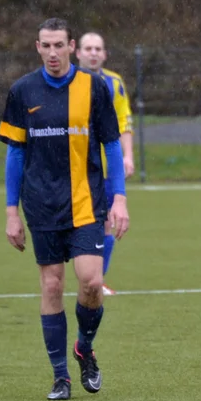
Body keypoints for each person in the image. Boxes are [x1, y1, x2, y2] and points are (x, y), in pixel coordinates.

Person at [0, 17, 130, 401]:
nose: (53, 53)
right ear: (37, 47)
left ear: (71, 46)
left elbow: (110, 144)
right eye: (46, 45)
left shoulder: (94, 87)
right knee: (52, 284)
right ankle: (61, 377)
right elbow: (14, 153)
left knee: (90, 281)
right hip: (40, 204)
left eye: (59, 45)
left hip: (87, 201)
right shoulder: (23, 91)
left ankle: (84, 347)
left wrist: (119, 197)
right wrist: (11, 212)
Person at [75, 31, 135, 295]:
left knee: (107, 221)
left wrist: (127, 156)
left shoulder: (114, 83)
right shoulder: (66, 82)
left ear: (105, 54)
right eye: (88, 48)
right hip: (73, 167)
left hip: (105, 168)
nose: (93, 53)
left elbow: (124, 122)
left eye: (98, 48)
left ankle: (98, 279)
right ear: (77, 52)